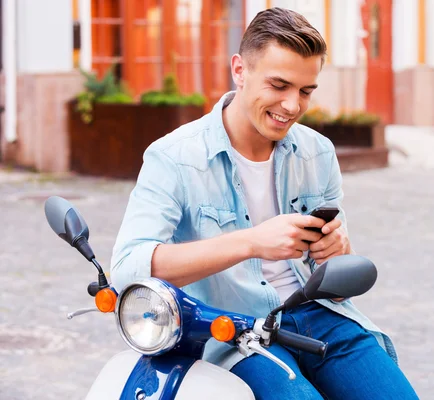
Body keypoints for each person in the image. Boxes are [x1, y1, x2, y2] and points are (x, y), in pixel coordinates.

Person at [111, 7, 418, 400]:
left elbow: (338, 288)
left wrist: (337, 254)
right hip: (234, 329)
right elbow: (127, 271)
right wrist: (252, 242)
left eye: (306, 91)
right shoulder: (173, 157)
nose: (292, 105)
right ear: (240, 70)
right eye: (279, 85)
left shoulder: (317, 152)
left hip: (318, 315)